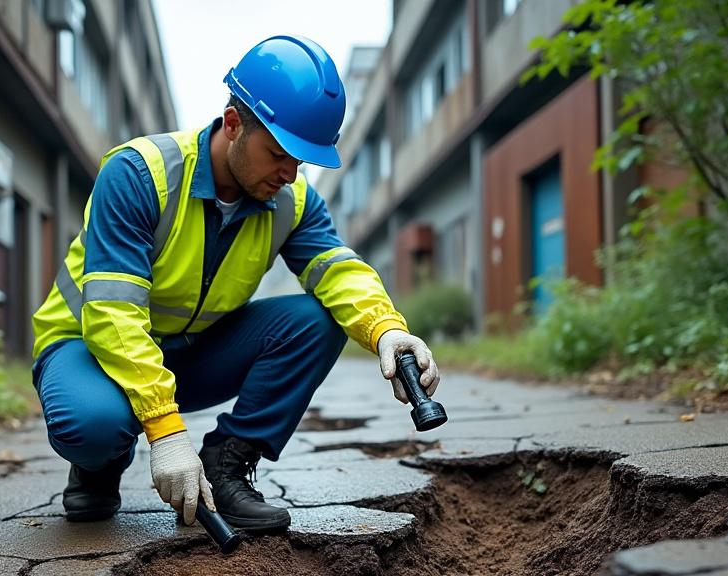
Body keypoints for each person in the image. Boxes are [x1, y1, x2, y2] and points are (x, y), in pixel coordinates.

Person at [30, 34, 440, 532]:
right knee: (93, 424)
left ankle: (227, 463)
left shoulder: (293, 202)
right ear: (232, 124)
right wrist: (163, 429)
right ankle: (99, 465)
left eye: (301, 161)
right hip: (88, 347)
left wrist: (387, 330)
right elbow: (113, 315)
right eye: (279, 153)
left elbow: (338, 272)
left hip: (188, 351)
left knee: (316, 320)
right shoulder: (139, 174)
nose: (290, 173)